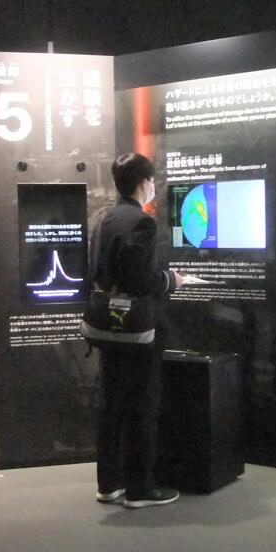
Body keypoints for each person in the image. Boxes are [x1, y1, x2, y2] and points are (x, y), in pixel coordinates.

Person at [89, 152, 184, 508]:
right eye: (152, 181)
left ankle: (109, 483)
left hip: (106, 325)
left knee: (111, 403)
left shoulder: (104, 218)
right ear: (144, 183)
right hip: (138, 329)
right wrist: (171, 279)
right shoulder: (142, 222)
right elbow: (142, 279)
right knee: (143, 404)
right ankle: (140, 488)